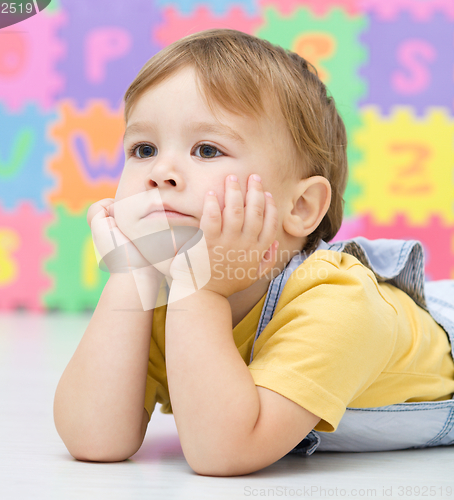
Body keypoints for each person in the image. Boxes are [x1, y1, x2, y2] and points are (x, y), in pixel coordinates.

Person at [53, 28, 454, 477]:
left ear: (299, 207)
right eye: (143, 149)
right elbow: (93, 439)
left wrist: (203, 291)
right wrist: (129, 276)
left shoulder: (339, 303)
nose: (160, 172)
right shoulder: (169, 302)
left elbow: (224, 453)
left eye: (207, 149)